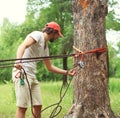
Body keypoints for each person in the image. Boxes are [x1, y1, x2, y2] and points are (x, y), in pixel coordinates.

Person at [12, 21, 75, 118]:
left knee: (38, 106)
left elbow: (50, 67)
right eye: (57, 35)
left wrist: (67, 72)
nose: (57, 37)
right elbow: (23, 46)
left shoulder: (45, 47)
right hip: (22, 73)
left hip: (32, 75)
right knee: (22, 107)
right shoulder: (38, 35)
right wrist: (18, 61)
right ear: (53, 32)